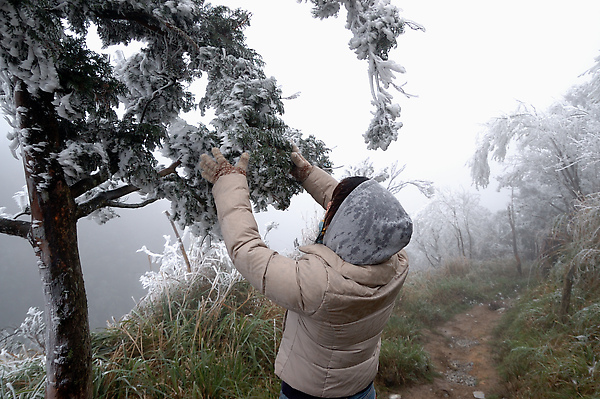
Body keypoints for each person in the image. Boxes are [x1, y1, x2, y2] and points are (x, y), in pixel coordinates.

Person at [199, 146, 412, 399]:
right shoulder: (397, 263)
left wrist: (229, 182)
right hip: (363, 387)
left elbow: (247, 250)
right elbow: (361, 216)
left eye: (331, 209)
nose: (328, 208)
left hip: (309, 394)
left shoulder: (320, 285)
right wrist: (308, 175)